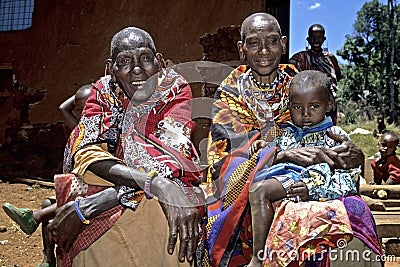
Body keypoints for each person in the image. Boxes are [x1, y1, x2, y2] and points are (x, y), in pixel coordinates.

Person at [199, 13, 382, 267]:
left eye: (272, 41)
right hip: (255, 189)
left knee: (356, 212)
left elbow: (326, 136)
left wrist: (351, 155)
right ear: (242, 50)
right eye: (253, 43)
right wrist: (280, 154)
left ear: (284, 44)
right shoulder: (230, 94)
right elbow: (223, 162)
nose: (264, 51)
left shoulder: (300, 83)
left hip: (316, 180)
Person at [46, 26, 204, 267]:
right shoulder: (102, 92)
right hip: (123, 182)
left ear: (159, 62)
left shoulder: (174, 89)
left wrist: (106, 199)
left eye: (145, 58)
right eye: (124, 62)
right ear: (111, 69)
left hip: (153, 183)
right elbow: (88, 153)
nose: (137, 69)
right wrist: (154, 183)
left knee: (174, 208)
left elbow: (171, 159)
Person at [247, 70, 360, 267]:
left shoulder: (335, 136)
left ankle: (258, 259)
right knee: (256, 189)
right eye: (298, 107)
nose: (305, 114)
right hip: (284, 180)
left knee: (260, 191)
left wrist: (313, 189)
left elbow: (349, 179)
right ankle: (259, 257)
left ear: (329, 105)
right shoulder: (287, 133)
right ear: (289, 106)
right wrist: (264, 150)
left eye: (314, 106)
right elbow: (276, 154)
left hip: (311, 184)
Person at [2, 84, 92, 267]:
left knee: (50, 207)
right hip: (77, 184)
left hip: (91, 188)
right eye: (80, 109)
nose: (83, 114)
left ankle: (34, 217)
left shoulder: (103, 133)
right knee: (47, 203)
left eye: (88, 109)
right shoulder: (80, 129)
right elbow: (62, 108)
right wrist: (89, 90)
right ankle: (48, 258)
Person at [288, 24, 341, 124]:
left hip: (328, 101)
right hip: (307, 101)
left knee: (328, 129)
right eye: (313, 37)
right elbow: (288, 70)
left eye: (319, 37)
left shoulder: (330, 58)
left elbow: (337, 77)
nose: (316, 40)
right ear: (308, 39)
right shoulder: (300, 57)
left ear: (324, 39)